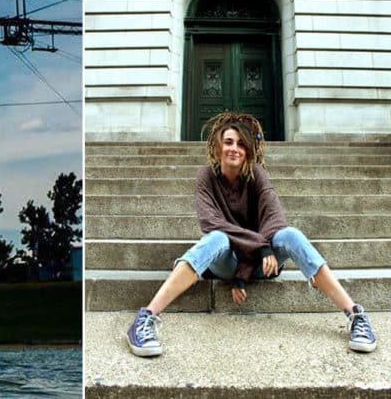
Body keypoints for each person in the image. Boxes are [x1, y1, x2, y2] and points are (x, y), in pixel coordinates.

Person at [126, 112, 376, 357]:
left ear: (248, 151)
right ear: (217, 148)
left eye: (241, 144)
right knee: (216, 238)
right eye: (228, 142)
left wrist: (249, 268)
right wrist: (261, 248)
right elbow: (212, 222)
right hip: (230, 261)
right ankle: (146, 318)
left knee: (290, 235)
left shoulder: (257, 173)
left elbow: (275, 218)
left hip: (263, 265)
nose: (234, 148)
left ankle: (355, 314)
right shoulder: (206, 177)